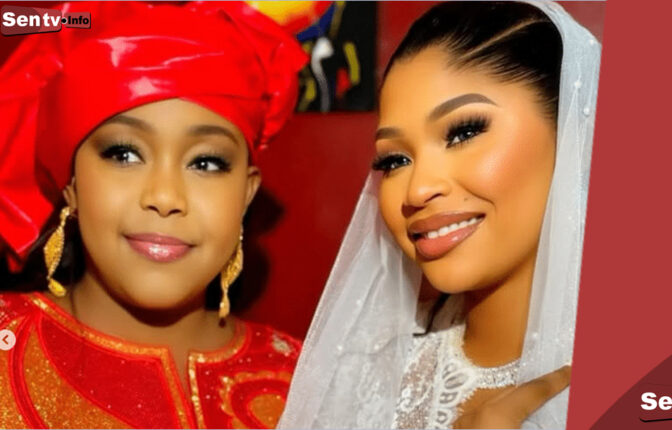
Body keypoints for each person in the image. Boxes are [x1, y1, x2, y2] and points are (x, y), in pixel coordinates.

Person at [279, 1, 600, 429]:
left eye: (463, 132)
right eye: (394, 160)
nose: (416, 190)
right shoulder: (364, 382)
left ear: (576, 134)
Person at [0, 2, 307, 428]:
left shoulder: (307, 384)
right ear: (70, 182)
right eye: (124, 154)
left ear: (246, 193)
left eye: (206, 163)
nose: (165, 197)